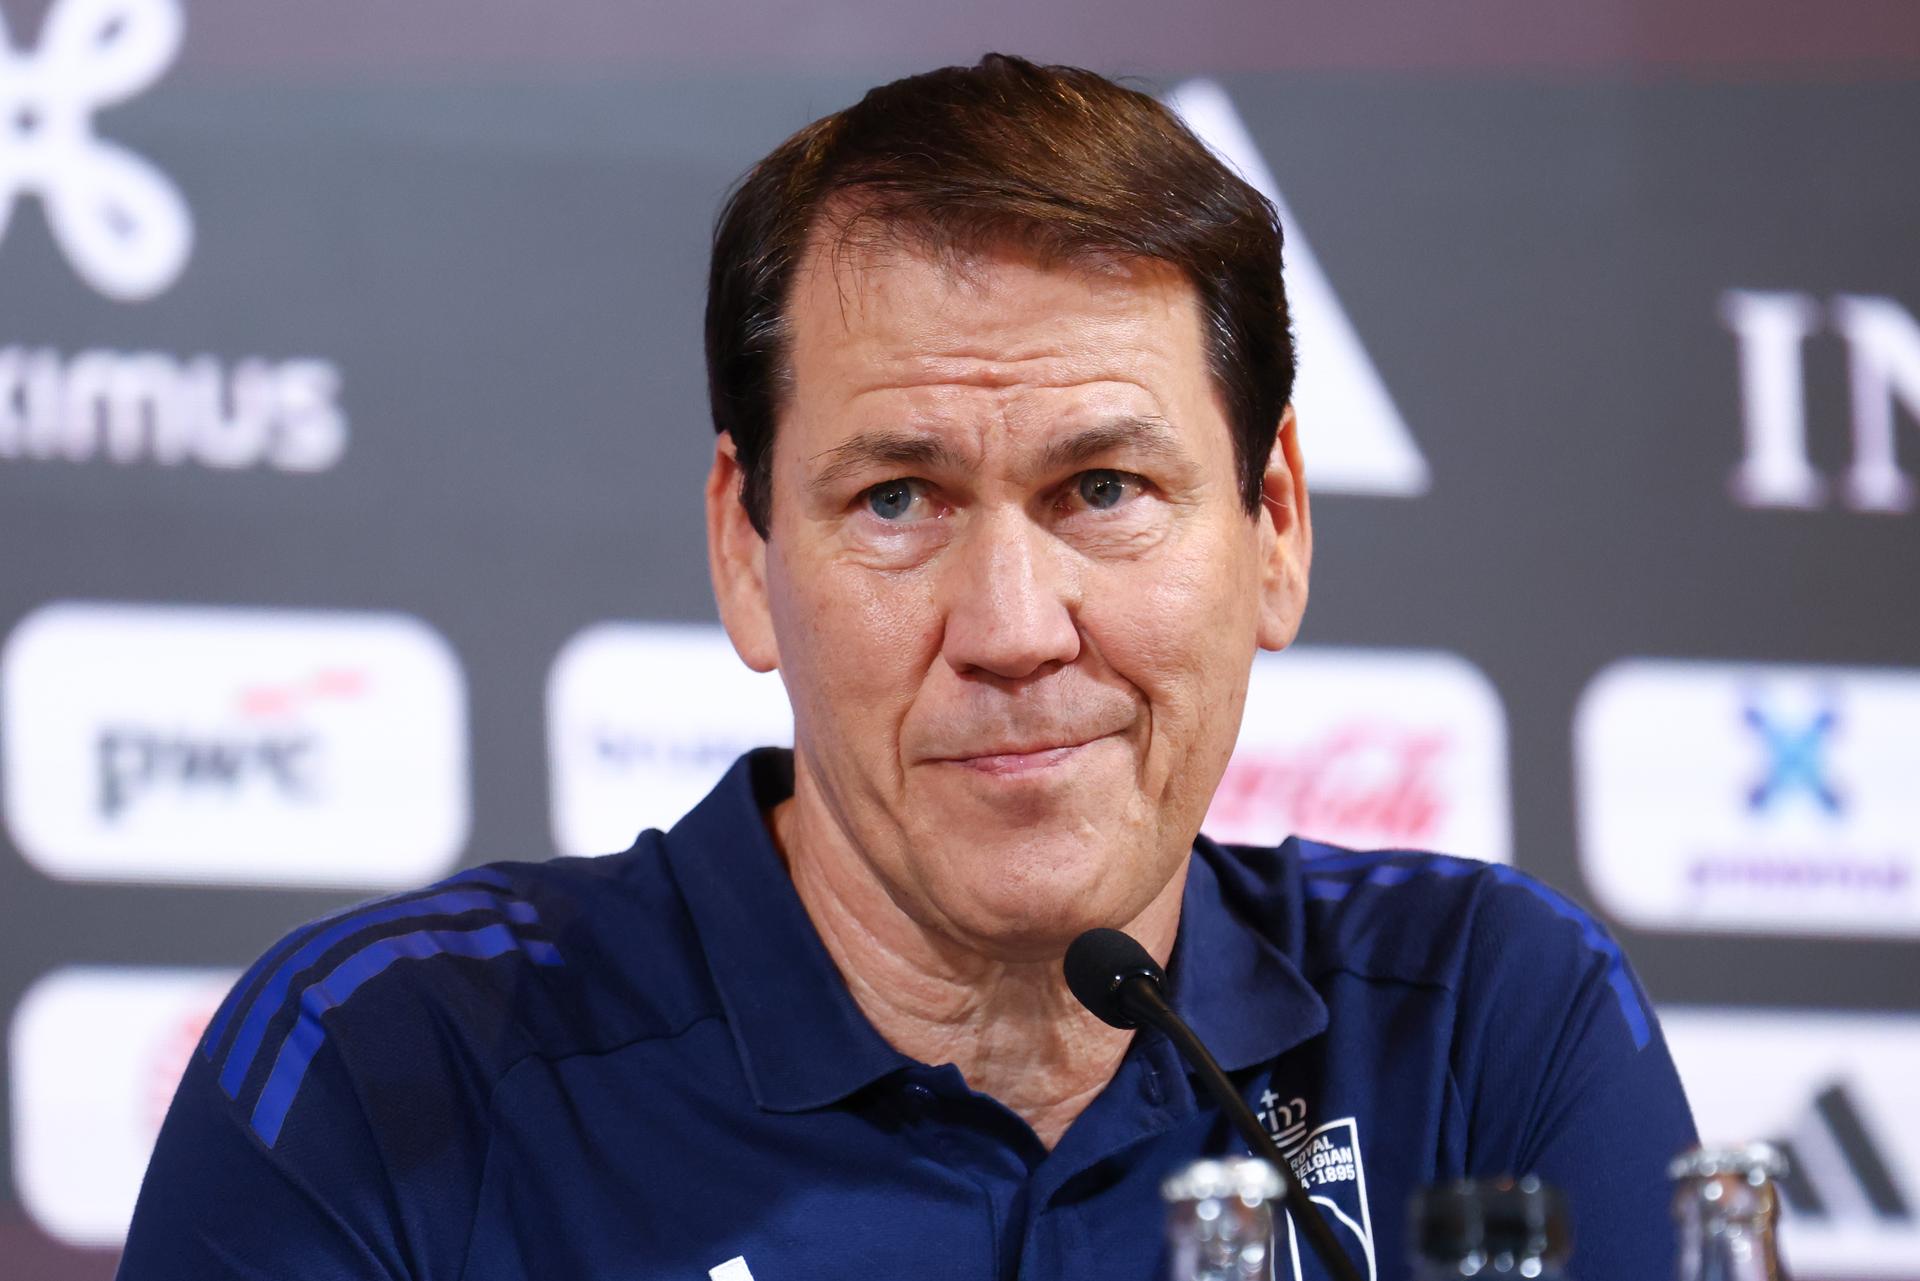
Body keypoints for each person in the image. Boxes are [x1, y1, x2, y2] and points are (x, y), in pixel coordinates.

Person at [120, 54, 1695, 1280]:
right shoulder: (387, 1074)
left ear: (1272, 526)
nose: (1013, 625)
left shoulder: (1485, 1031)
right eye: (898, 498)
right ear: (746, 551)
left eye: (1103, 490)